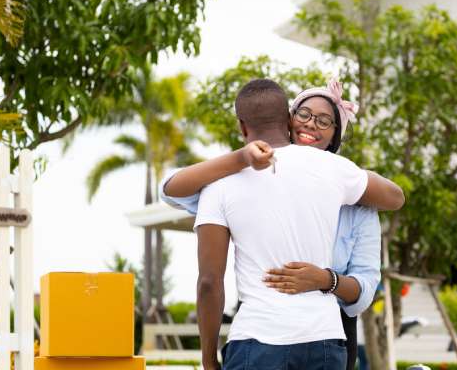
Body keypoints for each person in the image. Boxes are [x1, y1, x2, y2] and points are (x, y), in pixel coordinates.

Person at [162, 79, 403, 369]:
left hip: (256, 340)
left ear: (242, 126)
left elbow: (209, 283)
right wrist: (341, 175)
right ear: (288, 118)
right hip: (324, 340)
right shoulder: (335, 169)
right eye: (306, 115)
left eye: (324, 121)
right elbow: (395, 197)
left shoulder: (218, 185)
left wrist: (209, 359)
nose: (312, 125)